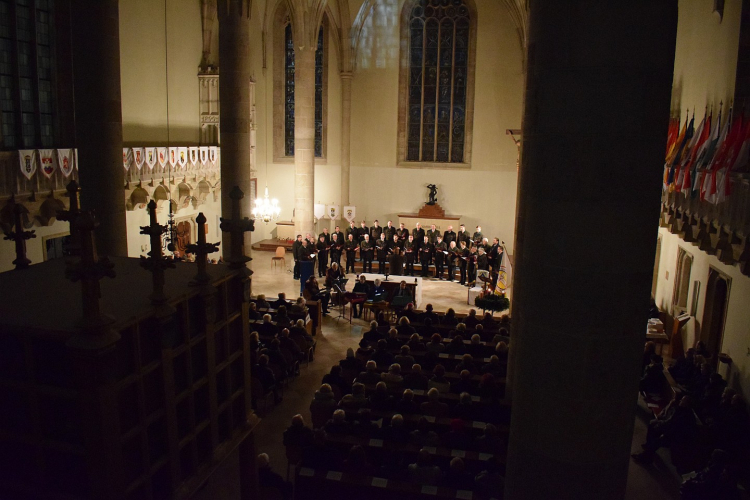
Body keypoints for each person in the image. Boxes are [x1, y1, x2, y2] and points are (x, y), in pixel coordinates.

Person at [631, 395, 699, 464]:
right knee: (652, 426)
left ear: (687, 403)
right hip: (672, 430)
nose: (680, 401)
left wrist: (659, 423)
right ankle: (648, 447)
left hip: (678, 437)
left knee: (658, 439)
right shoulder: (681, 409)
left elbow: (670, 423)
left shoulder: (684, 414)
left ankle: (646, 457)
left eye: (682, 400)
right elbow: (668, 420)